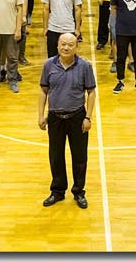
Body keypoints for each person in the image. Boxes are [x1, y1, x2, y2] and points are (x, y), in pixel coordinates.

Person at [38, 33, 96, 210]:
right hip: (55, 118)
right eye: (63, 44)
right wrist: (41, 115)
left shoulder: (84, 66)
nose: (66, 47)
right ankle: (57, 190)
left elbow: (91, 92)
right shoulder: (49, 65)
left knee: (80, 156)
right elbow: (43, 90)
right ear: (57, 45)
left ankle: (79, 192)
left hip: (77, 117)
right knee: (55, 155)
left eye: (70, 44)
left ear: (76, 47)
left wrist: (88, 117)